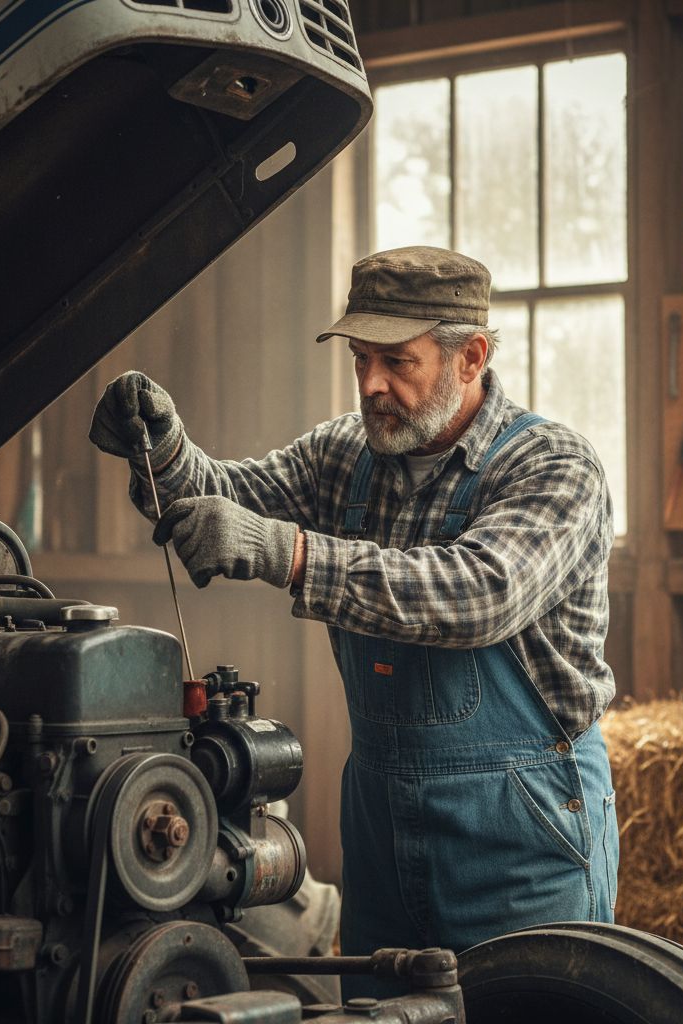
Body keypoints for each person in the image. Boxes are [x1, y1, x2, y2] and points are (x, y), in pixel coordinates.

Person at [89, 245, 618, 990]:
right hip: (379, 828)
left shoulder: (554, 467)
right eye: (361, 358)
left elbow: (478, 593)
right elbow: (225, 501)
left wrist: (293, 555)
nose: (371, 384)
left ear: (470, 357)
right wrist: (166, 451)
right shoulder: (346, 453)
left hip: (520, 838)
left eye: (397, 362)